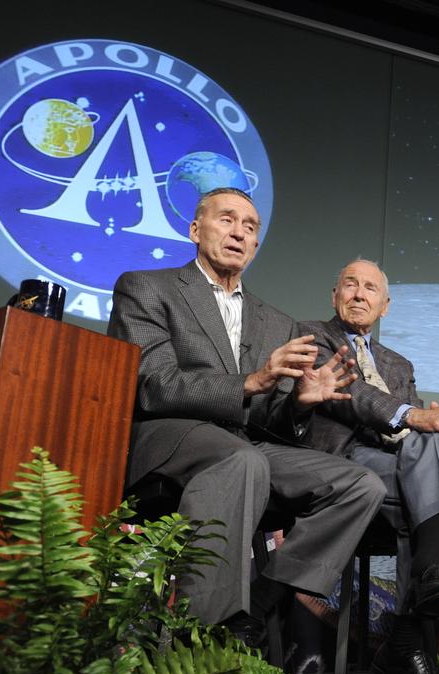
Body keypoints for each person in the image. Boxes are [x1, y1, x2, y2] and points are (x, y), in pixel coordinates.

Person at [108, 187, 384, 643]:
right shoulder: (146, 287)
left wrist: (298, 402)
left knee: (359, 484)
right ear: (196, 230)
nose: (239, 232)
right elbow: (153, 385)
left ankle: (259, 602)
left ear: (256, 246)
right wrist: (251, 383)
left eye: (250, 227)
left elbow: (271, 419)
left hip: (245, 445)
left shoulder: (276, 321)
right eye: (227, 220)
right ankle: (200, 635)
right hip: (169, 438)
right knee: (241, 460)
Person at [300, 258, 439, 674]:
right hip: (340, 463)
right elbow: (352, 397)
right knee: (438, 496)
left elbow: (419, 436)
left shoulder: (400, 364)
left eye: (370, 288)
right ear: (334, 295)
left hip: (395, 468)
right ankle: (411, 633)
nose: (359, 294)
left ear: (386, 305)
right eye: (350, 285)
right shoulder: (313, 335)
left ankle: (418, 599)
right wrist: (418, 417)